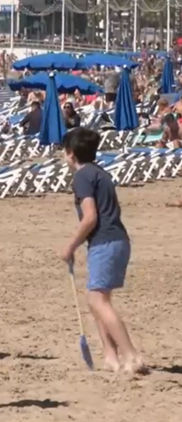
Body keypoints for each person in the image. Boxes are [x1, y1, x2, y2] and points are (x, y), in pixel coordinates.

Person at [59, 127, 146, 374]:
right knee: (97, 299)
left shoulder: (82, 177)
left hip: (105, 241)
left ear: (71, 154)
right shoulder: (100, 173)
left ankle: (131, 355)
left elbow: (89, 218)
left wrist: (70, 246)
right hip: (115, 241)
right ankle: (111, 357)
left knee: (98, 300)